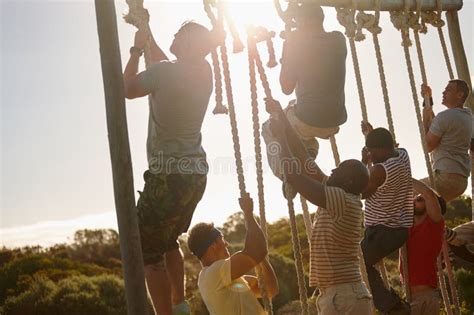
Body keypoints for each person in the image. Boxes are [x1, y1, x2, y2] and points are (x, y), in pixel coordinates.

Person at [123, 17, 215, 315]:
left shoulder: (165, 72)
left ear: (187, 42)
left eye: (178, 33)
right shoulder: (203, 71)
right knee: (169, 241)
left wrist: (136, 50)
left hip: (169, 175)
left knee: (148, 252)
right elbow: (163, 63)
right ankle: (179, 306)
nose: (173, 35)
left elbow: (128, 88)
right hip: (195, 175)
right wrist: (145, 27)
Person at [266, 98, 372, 315]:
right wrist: (283, 119)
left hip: (344, 297)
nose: (332, 170)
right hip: (340, 295)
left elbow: (294, 175)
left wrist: (279, 138)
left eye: (338, 169)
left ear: (348, 181)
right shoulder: (341, 195)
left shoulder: (342, 200)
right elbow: (305, 160)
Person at [262, 3, 347, 187]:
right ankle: (308, 151)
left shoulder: (295, 44)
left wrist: (288, 49)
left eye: (298, 20)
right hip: (334, 123)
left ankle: (286, 176)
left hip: (307, 120)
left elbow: (286, 87)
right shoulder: (339, 39)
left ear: (305, 21)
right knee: (301, 124)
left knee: (269, 127)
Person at [187, 194, 279, 315]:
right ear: (213, 244)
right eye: (222, 239)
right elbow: (258, 249)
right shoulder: (212, 275)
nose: (227, 244)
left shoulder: (226, 279)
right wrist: (248, 213)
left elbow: (270, 289)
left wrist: (259, 258)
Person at [360, 122, 413, 314]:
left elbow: (361, 192)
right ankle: (390, 304)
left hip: (383, 231)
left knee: (357, 263)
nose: (370, 154)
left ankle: (393, 307)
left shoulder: (379, 171)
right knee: (361, 260)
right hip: (401, 228)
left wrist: (363, 162)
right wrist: (370, 134)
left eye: (372, 151)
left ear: (382, 149)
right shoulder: (403, 154)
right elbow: (388, 145)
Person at [421, 80, 472, 202]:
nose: (443, 92)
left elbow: (427, 146)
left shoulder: (445, 116)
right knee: (428, 208)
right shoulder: (468, 116)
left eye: (448, 90)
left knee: (405, 191)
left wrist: (423, 123)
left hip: (445, 179)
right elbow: (437, 125)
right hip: (461, 182)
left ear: (459, 95)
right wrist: (428, 100)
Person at [401, 179, 446, 315]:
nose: (415, 199)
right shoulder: (406, 228)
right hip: (409, 298)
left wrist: (404, 175)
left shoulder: (434, 224)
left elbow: (428, 194)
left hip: (425, 298)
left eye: (419, 198)